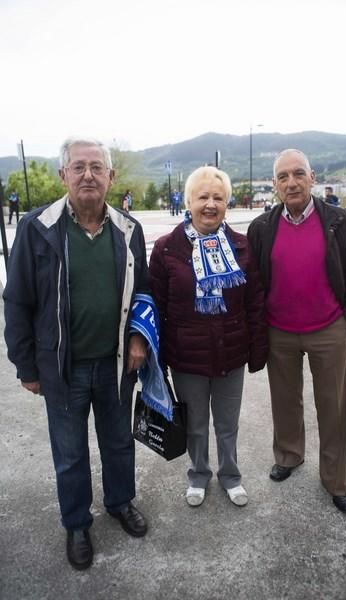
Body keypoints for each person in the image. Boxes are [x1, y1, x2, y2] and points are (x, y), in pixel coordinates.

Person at [3, 137, 149, 570]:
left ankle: (120, 503)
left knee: (119, 443)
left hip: (115, 364)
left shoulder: (128, 229)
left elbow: (142, 293)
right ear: (63, 175)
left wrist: (139, 339)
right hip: (61, 367)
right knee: (69, 453)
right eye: (79, 167)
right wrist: (26, 365)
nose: (88, 175)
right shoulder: (37, 227)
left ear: (110, 176)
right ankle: (77, 523)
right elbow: (17, 301)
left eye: (96, 167)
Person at [248, 149, 346, 515]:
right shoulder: (262, 227)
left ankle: (336, 480)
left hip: (329, 329)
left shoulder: (339, 221)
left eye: (298, 174)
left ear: (312, 178)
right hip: (280, 332)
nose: (291, 182)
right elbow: (254, 281)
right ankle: (289, 455)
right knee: (285, 401)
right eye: (283, 177)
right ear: (274, 185)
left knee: (334, 407)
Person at [149, 166, 268, 508]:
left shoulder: (242, 247)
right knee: (196, 424)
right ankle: (198, 474)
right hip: (186, 356)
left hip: (232, 353)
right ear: (188, 201)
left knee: (228, 425)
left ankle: (230, 475)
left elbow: (255, 302)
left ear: (227, 203)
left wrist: (257, 350)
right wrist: (155, 358)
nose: (210, 204)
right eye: (203, 197)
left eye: (218, 197)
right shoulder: (167, 249)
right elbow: (155, 305)